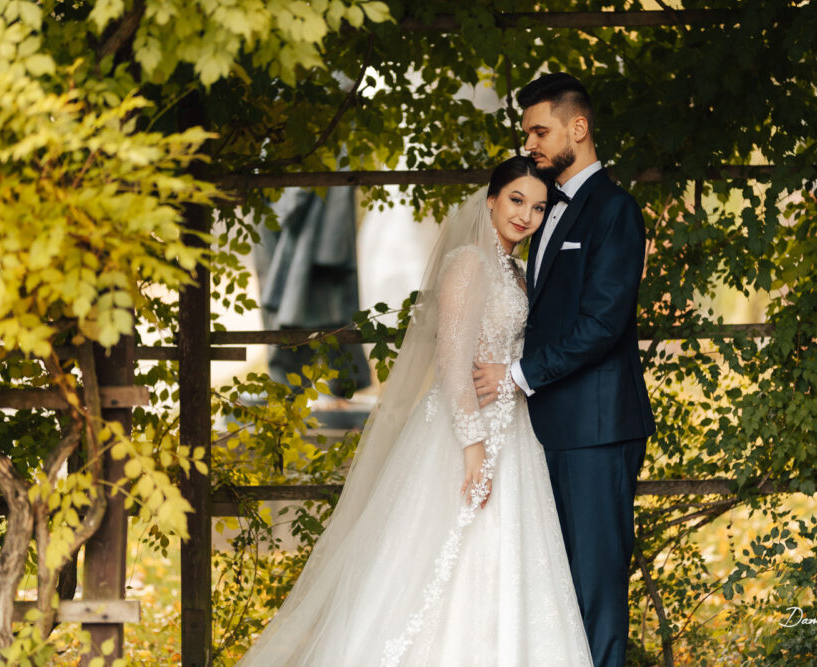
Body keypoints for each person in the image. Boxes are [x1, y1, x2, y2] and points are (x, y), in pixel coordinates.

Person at [236, 155, 594, 666]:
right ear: (492, 199)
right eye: (517, 200)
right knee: (439, 560)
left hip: (514, 432)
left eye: (538, 208)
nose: (526, 216)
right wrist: (472, 446)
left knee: (509, 559)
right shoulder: (468, 263)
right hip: (463, 432)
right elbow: (451, 361)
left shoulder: (518, 274)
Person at [474, 73, 656, 667]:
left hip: (597, 428)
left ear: (578, 128)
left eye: (539, 131)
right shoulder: (544, 208)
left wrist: (516, 375)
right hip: (547, 428)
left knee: (596, 585)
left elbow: (602, 324)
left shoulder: (615, 210)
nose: (529, 144)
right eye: (527, 133)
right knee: (553, 585)